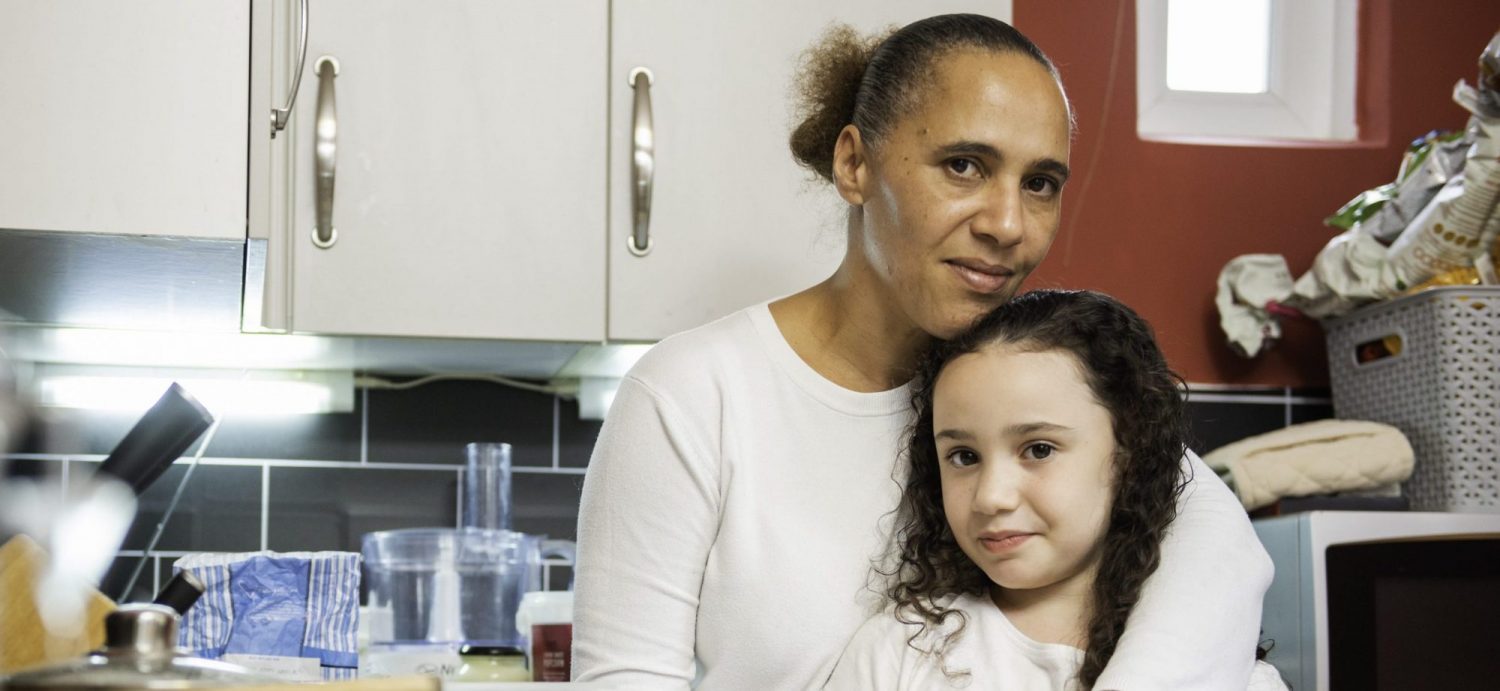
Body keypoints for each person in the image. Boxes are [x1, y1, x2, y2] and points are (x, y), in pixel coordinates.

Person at [573, 14, 1271, 690]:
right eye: (964, 165)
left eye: (1040, 184)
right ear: (854, 163)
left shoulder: (1041, 393)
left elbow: (1216, 543)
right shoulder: (692, 396)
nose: (1008, 225)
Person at [823, 289, 1287, 690]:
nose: (991, 497)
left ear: (1129, 450)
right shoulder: (900, 652)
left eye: (1038, 449)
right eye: (964, 457)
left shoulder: (1231, 676)